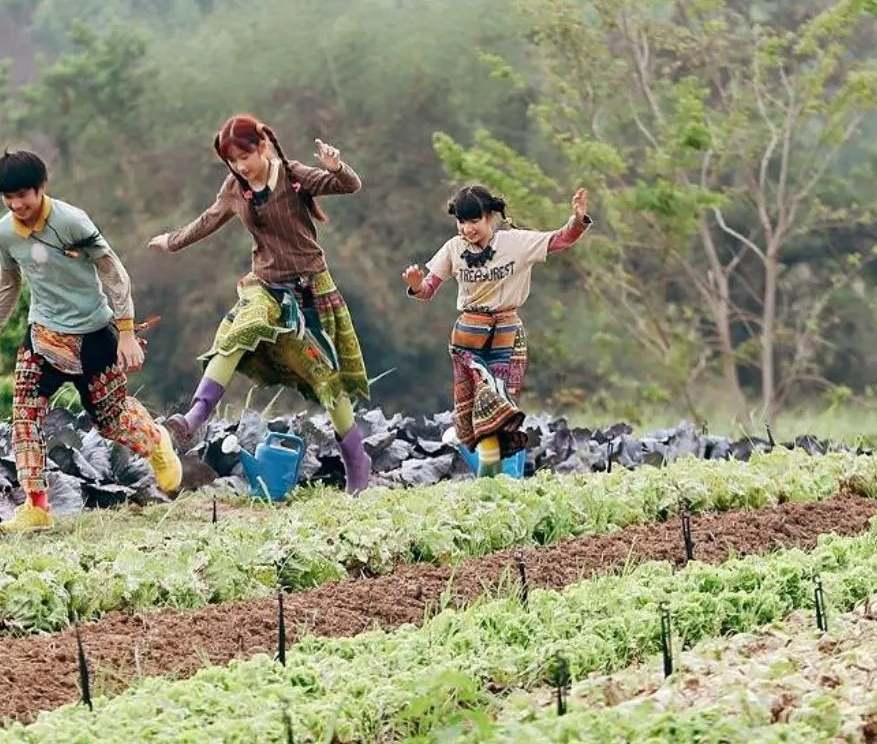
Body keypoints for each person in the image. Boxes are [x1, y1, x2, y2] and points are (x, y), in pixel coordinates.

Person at [146, 114, 374, 492]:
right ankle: (192, 417)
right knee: (239, 329)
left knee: (327, 380)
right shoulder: (235, 187)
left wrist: (338, 167)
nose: (239, 167)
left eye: (244, 157)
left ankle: (357, 463)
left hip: (310, 290)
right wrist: (172, 240)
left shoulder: (294, 174)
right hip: (264, 286)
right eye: (231, 161)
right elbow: (210, 218)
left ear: (263, 147)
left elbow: (349, 185)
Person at [0, 150, 183, 531]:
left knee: (111, 420)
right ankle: (36, 506)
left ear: (41, 188)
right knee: (25, 419)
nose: (17, 205)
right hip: (43, 338)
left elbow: (113, 272)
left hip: (93, 336)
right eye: (8, 197)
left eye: (23, 196)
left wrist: (126, 333)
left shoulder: (71, 221)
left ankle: (156, 441)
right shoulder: (3, 233)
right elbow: (7, 285)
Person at [402, 183, 591, 476]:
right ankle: (485, 469)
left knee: (501, 410)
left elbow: (560, 240)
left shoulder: (515, 243)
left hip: (505, 336)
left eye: (474, 220)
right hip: (468, 339)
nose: (467, 229)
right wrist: (415, 285)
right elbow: (428, 290)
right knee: (474, 415)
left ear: (491, 217)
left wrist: (577, 220)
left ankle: (505, 482)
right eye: (461, 222)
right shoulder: (453, 249)